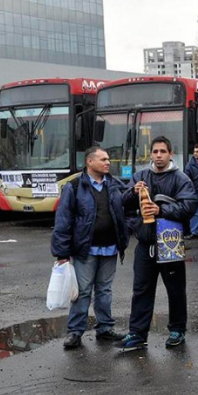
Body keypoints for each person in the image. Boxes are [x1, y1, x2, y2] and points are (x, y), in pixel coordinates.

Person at [116, 136, 198, 351]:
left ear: (171, 154)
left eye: (163, 151)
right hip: (145, 243)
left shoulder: (181, 179)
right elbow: (122, 203)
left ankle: (177, 330)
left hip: (170, 243)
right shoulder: (140, 176)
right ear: (150, 154)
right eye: (155, 151)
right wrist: (133, 195)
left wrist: (162, 211)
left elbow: (189, 207)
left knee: (175, 289)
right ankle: (137, 333)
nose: (159, 155)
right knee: (141, 289)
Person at [52, 146, 129, 349]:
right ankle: (75, 332)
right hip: (86, 250)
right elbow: (64, 219)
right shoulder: (75, 186)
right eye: (103, 159)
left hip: (110, 248)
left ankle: (105, 328)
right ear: (89, 161)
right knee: (82, 292)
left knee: (105, 290)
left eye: (108, 159)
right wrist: (61, 252)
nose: (107, 162)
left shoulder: (113, 184)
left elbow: (125, 207)